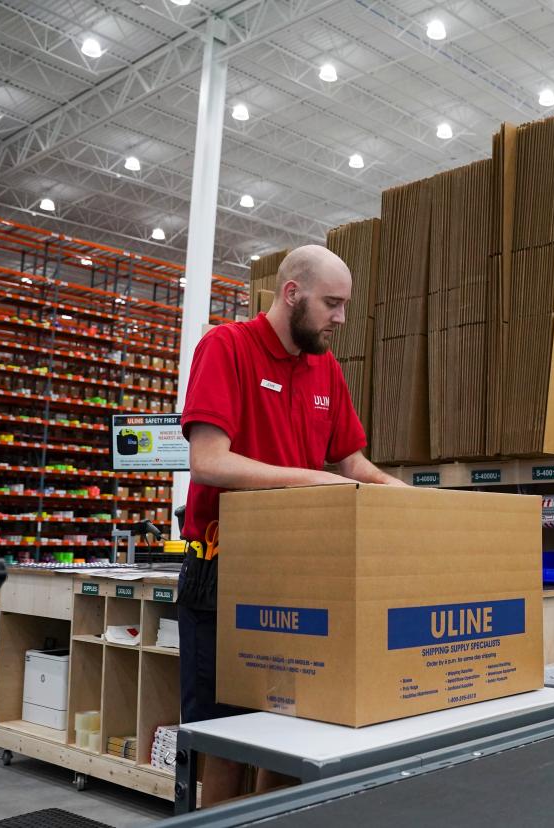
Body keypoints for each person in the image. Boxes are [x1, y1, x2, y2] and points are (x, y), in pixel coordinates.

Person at [177, 245, 406, 804]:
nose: (341, 319)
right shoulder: (226, 347)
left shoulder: (324, 367)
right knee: (227, 739)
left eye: (345, 306)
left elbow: (351, 464)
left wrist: (409, 500)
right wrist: (311, 480)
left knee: (291, 734)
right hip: (225, 575)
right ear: (291, 293)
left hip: (299, 578)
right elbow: (208, 460)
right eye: (332, 304)